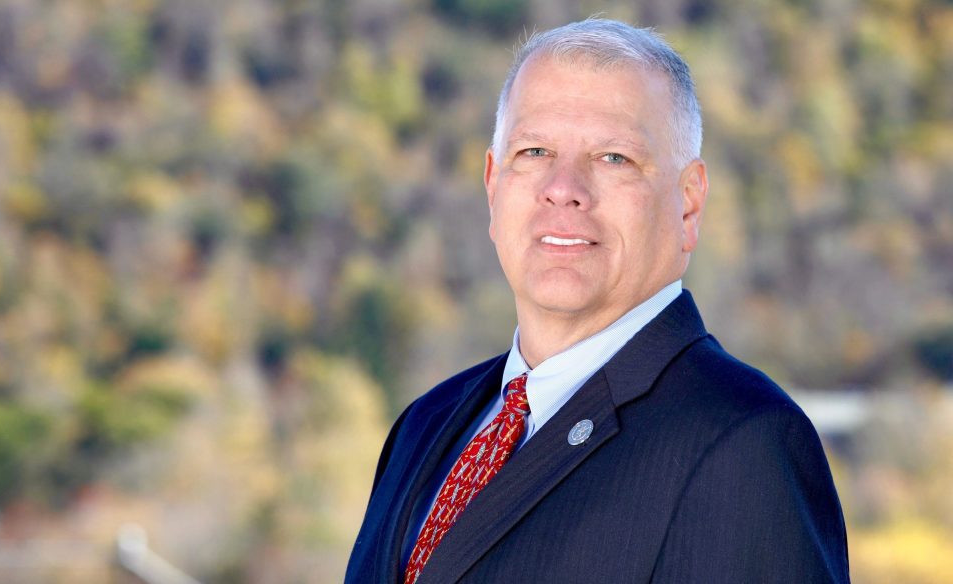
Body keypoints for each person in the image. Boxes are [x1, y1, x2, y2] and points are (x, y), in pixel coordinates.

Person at [346, 19, 849, 584]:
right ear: (492, 185)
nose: (563, 188)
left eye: (614, 158)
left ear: (687, 205)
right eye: (534, 151)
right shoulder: (424, 424)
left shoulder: (743, 445)